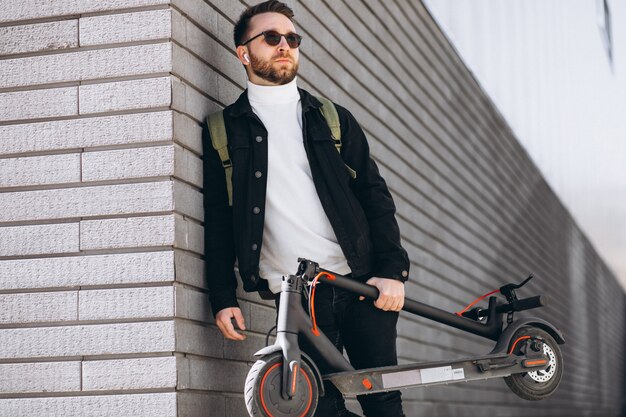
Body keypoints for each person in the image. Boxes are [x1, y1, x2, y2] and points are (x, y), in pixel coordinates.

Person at [202, 1, 410, 416]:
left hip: (359, 285)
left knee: (383, 402)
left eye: (292, 39)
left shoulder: (332, 119)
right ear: (244, 53)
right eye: (272, 38)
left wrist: (391, 272)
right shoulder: (224, 130)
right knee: (316, 409)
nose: (285, 46)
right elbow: (220, 221)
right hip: (296, 296)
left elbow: (374, 196)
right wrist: (223, 296)